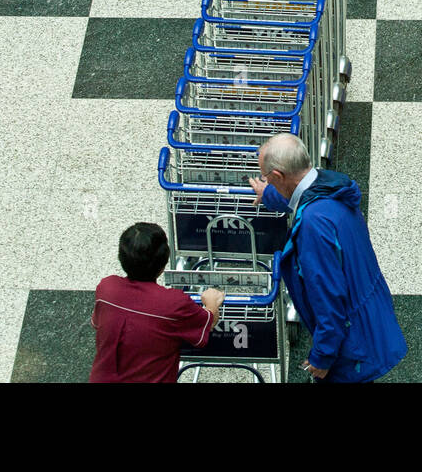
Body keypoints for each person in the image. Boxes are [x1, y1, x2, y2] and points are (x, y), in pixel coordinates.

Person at [248, 134, 406, 382]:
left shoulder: (313, 226)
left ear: (278, 176)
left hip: (351, 342)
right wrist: (269, 194)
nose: (268, 182)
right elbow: (300, 195)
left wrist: (322, 356)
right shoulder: (330, 185)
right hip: (369, 316)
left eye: (269, 178)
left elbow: (328, 296)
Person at [89, 222, 224, 383]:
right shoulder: (174, 303)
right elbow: (209, 321)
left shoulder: (106, 289)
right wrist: (212, 301)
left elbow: (99, 323)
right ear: (163, 262)